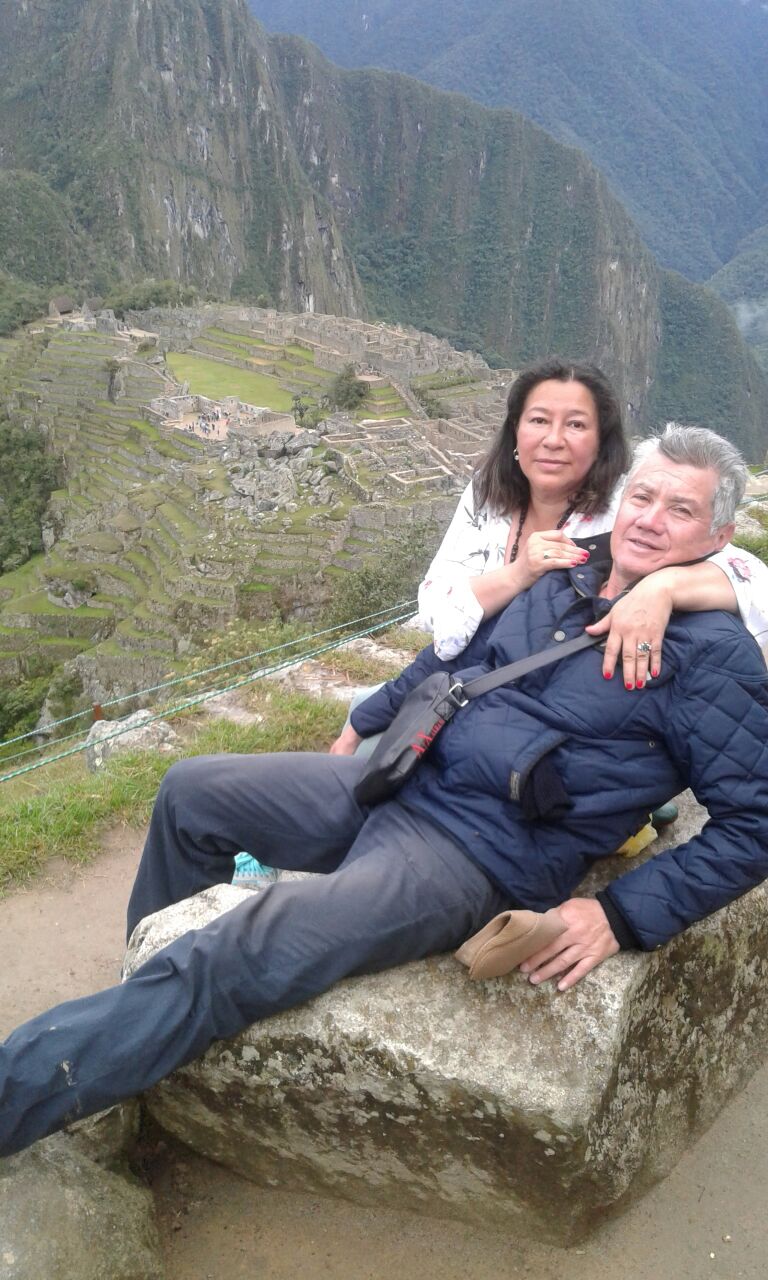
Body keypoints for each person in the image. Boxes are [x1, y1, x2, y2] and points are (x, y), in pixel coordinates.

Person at [2, 425, 768, 1160]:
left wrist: (619, 915)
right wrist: (365, 717)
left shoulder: (713, 656)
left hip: (474, 851)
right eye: (643, 497)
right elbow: (458, 661)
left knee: (237, 950)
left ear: (719, 536)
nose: (650, 519)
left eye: (681, 510)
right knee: (190, 793)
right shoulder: (567, 569)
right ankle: (130, 1016)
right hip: (403, 776)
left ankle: (29, 1089)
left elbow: (755, 824)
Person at [417, 359, 768, 682]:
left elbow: (751, 580)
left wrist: (663, 588)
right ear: (516, 431)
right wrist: (519, 574)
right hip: (468, 674)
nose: (553, 440)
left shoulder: (628, 508)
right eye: (539, 420)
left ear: (601, 441)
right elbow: (433, 606)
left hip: (561, 685)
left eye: (576, 424)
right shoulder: (486, 491)